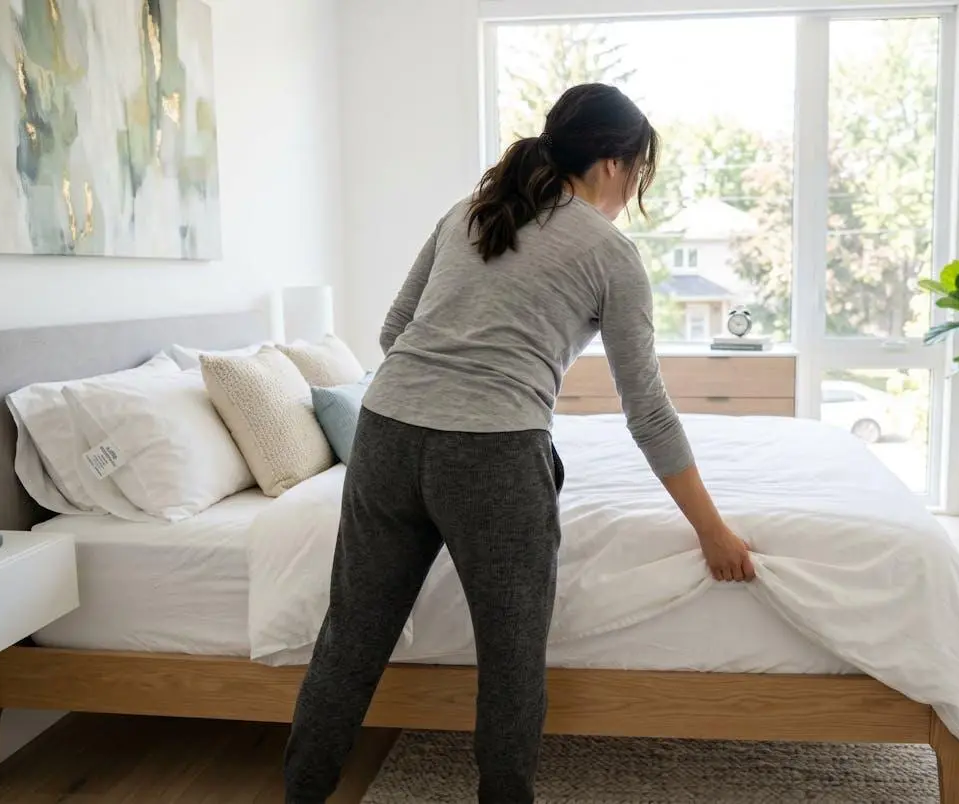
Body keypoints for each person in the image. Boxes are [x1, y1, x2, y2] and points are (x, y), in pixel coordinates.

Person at [283, 83, 755, 804]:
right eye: (637, 174)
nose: (632, 191)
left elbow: (393, 331)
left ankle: (299, 795)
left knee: (350, 638)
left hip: (385, 434)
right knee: (510, 661)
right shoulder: (611, 253)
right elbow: (648, 411)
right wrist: (712, 530)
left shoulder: (467, 213)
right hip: (492, 457)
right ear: (610, 162)